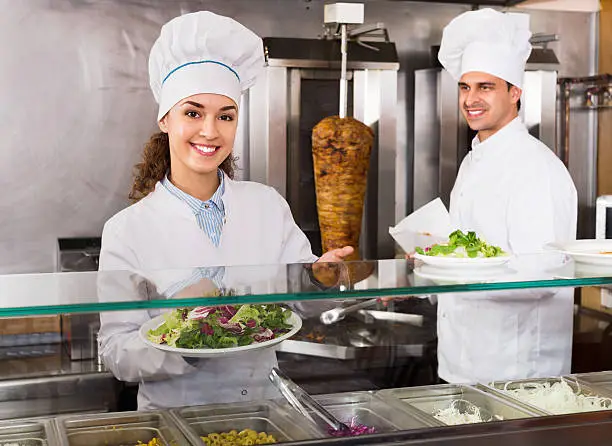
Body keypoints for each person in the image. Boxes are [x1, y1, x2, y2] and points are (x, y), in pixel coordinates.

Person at [97, 11, 352, 410]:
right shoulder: (127, 230)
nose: (210, 131)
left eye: (225, 116)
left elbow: (301, 305)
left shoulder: (266, 204)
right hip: (175, 421)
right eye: (193, 113)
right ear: (165, 118)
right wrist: (189, 336)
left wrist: (321, 276)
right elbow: (116, 352)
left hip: (266, 414)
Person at [434, 8, 578, 383]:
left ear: (515, 92)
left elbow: (541, 276)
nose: (471, 99)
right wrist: (435, 262)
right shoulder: (474, 160)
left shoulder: (536, 168)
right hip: (460, 360)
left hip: (516, 371)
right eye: (465, 87)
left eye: (485, 87)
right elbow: (468, 245)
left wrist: (450, 272)